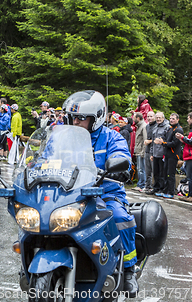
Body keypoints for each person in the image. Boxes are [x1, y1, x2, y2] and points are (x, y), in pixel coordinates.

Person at [63, 90, 138, 297]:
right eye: (72, 117)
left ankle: (130, 270)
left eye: (81, 118)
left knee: (121, 218)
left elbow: (122, 157)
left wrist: (120, 166)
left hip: (105, 194)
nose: (75, 121)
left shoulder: (111, 137)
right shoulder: (64, 138)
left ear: (95, 118)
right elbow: (44, 157)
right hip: (71, 195)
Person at [155, 113, 183, 199]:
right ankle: (165, 190)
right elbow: (165, 137)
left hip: (173, 155)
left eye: (173, 119)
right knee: (165, 173)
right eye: (170, 118)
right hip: (167, 154)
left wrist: (163, 143)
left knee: (170, 174)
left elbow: (174, 143)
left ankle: (171, 192)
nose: (171, 120)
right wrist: (161, 140)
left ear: (177, 119)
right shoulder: (170, 128)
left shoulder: (178, 130)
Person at [148, 112, 169, 195]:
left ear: (163, 118)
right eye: (157, 117)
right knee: (155, 172)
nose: (158, 119)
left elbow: (167, 141)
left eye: (160, 117)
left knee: (162, 172)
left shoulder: (167, 127)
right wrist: (151, 153)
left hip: (162, 153)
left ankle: (161, 188)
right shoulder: (155, 127)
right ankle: (155, 187)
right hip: (155, 153)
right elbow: (153, 141)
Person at [132, 112, 147, 192]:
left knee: (141, 169)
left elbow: (145, 140)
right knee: (139, 168)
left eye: (134, 117)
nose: (133, 119)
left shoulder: (143, 126)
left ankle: (142, 184)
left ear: (138, 118)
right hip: (138, 151)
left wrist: (142, 152)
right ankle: (139, 184)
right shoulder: (138, 126)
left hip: (141, 152)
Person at [143, 111, 157, 193]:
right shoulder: (147, 126)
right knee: (147, 170)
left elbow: (157, 138)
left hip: (154, 150)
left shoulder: (156, 126)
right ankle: (147, 185)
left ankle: (153, 186)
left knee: (154, 170)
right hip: (147, 149)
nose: (149, 118)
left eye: (151, 116)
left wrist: (149, 141)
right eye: (148, 116)